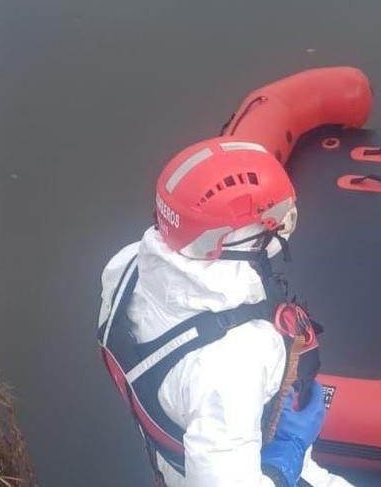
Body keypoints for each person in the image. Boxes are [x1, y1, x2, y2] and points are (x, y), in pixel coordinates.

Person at [97, 137, 353, 487]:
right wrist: (288, 454)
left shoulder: (125, 267)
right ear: (227, 240)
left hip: (176, 460)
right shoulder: (236, 361)